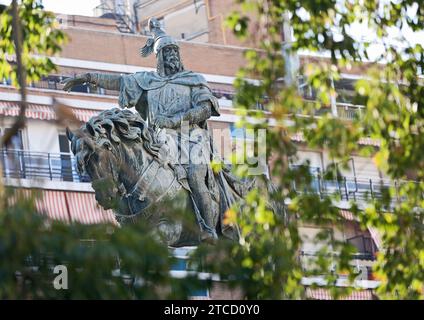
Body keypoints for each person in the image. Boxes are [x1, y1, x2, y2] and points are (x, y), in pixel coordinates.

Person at [62, 18, 221, 242]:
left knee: (195, 174)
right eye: (167, 53)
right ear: (160, 58)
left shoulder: (193, 80)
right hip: (158, 139)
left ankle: (207, 228)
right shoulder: (148, 81)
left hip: (191, 138)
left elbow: (205, 108)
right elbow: (119, 81)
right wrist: (88, 78)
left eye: (175, 52)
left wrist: (176, 119)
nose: (172, 56)